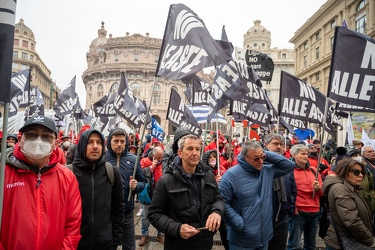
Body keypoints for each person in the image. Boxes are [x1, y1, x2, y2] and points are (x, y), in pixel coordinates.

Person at [0, 115, 82, 249]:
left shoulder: (68, 177)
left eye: (46, 136)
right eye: (32, 134)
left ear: (56, 143)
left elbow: (72, 225)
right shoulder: (3, 172)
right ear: (20, 140)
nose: (38, 141)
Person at [148, 134, 224, 250]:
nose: (194, 153)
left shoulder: (208, 175)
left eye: (197, 149)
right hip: (178, 244)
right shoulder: (166, 181)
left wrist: (216, 212)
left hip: (205, 243)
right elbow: (154, 214)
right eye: (189, 149)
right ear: (180, 153)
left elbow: (218, 199)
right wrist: (177, 229)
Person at [219, 140, 295, 249]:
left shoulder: (266, 171)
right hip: (242, 240)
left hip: (264, 238)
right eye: (256, 158)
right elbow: (222, 202)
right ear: (245, 157)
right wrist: (239, 224)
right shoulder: (231, 175)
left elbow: (289, 166)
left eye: (262, 158)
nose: (260, 161)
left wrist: (263, 153)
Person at [71, 129, 125, 250]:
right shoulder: (69, 173)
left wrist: (115, 240)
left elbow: (119, 208)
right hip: (75, 245)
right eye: (90, 142)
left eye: (99, 142)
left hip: (105, 243)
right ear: (82, 145)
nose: (95, 146)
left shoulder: (111, 172)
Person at [105, 128, 145, 250]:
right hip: (107, 213)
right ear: (109, 142)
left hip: (127, 212)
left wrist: (136, 186)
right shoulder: (103, 160)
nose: (119, 144)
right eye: (116, 141)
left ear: (126, 142)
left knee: (129, 247)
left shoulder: (133, 159)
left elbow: (143, 182)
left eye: (122, 141)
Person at [323, 157, 375, 249]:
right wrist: (370, 241)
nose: (361, 175)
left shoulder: (349, 187)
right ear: (345, 172)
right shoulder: (341, 189)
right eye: (356, 172)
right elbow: (352, 221)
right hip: (343, 242)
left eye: (362, 172)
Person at [263, 133, 296, 250]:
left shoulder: (286, 165)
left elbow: (293, 189)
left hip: (282, 216)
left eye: (282, 145)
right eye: (275, 144)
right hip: (264, 217)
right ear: (266, 145)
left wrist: (290, 208)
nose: (279, 147)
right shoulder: (260, 165)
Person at [288, 144, 323, 250]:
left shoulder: (313, 170)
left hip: (314, 211)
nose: (305, 156)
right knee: (294, 245)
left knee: (311, 245)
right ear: (294, 155)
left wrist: (318, 188)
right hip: (298, 212)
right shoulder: (289, 171)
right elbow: (288, 192)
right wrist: (294, 209)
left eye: (306, 154)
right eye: (302, 154)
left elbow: (322, 194)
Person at [202, 150, 229, 250]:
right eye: (210, 157)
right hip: (208, 207)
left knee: (225, 231)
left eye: (214, 157)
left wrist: (223, 179)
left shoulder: (221, 169)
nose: (213, 159)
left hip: (221, 205)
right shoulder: (202, 171)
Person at [138, 146, 165, 246]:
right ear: (153, 155)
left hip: (160, 193)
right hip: (148, 193)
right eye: (158, 157)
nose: (160, 159)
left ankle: (160, 234)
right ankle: (145, 234)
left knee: (161, 214)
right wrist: (151, 167)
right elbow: (140, 173)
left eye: (161, 157)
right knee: (145, 216)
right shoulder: (144, 161)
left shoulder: (164, 162)